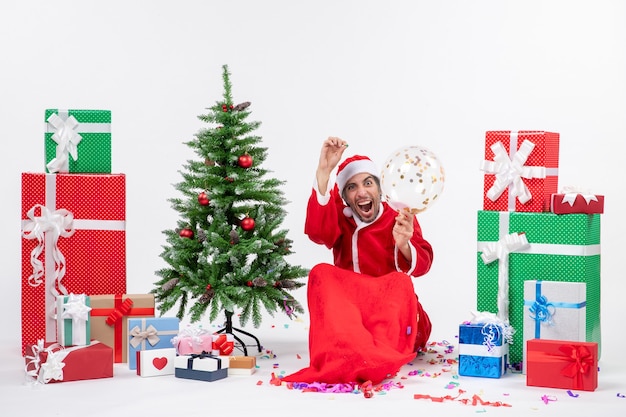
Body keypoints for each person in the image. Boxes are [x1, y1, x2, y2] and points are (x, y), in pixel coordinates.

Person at [281, 137, 434, 385]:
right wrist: (324, 171)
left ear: (379, 189)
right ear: (345, 197)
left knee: (400, 282)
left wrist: (404, 244)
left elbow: (424, 264)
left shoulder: (400, 217)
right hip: (353, 316)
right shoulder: (341, 219)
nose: (361, 192)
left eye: (368, 182)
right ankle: (354, 350)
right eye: (351, 187)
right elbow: (318, 232)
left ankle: (370, 355)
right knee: (321, 272)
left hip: (392, 314)